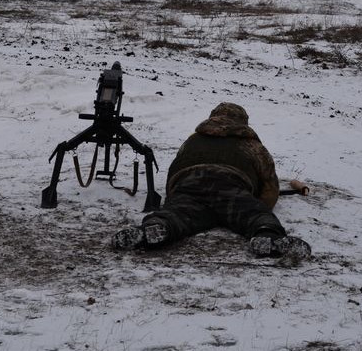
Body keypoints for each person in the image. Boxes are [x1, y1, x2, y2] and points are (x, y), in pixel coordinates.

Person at [111, 102, 310, 262]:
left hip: (189, 186)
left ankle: (153, 228)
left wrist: (177, 197)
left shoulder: (193, 140)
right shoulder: (252, 145)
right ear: (243, 122)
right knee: (254, 214)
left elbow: (175, 170)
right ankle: (268, 236)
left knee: (177, 215)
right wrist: (256, 203)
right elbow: (270, 188)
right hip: (230, 186)